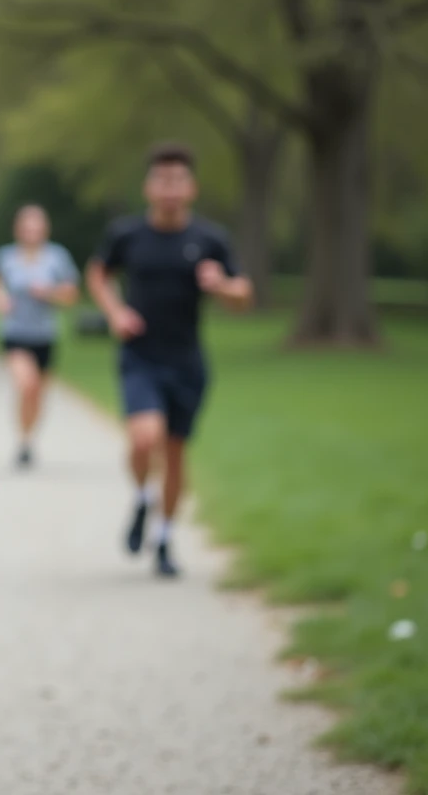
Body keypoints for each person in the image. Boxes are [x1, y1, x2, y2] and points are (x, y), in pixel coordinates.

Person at [86, 143, 252, 577]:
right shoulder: (127, 235)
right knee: (144, 439)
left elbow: (243, 296)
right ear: (149, 187)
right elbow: (98, 272)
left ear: (191, 188)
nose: (170, 188)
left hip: (187, 361)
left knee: (176, 454)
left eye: (178, 180)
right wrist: (115, 312)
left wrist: (221, 286)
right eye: (162, 180)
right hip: (140, 356)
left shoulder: (210, 240)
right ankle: (143, 498)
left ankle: (163, 540)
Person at [0, 204, 80, 467]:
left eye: (36, 227)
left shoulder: (57, 257)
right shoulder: (5, 256)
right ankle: (24, 440)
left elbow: (71, 295)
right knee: (27, 385)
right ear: (18, 229)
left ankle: (28, 439)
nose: (32, 232)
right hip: (14, 333)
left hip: (45, 336)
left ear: (45, 229)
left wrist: (49, 292)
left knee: (37, 393)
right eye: (27, 227)